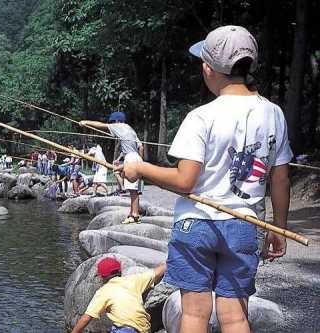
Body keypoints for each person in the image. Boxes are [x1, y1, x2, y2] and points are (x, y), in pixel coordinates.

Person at [121, 26, 292, 333]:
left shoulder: (201, 116)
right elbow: (280, 178)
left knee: (194, 316)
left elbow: (185, 181)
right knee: (236, 317)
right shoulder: (274, 114)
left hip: (195, 226)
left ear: (208, 69)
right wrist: (278, 226)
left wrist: (139, 169)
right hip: (244, 225)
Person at [71, 257, 166, 333]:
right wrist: (169, 263)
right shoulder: (133, 280)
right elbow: (157, 272)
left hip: (124, 330)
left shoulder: (104, 291)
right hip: (143, 328)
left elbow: (86, 319)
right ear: (120, 271)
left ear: (101, 277)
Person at [80, 112, 144, 224]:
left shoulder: (119, 126)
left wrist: (85, 122)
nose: (112, 124)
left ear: (117, 121)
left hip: (131, 158)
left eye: (112, 122)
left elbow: (101, 125)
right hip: (136, 158)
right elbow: (141, 146)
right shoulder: (130, 129)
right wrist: (140, 162)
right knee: (133, 189)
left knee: (132, 190)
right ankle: (133, 213)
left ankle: (134, 215)